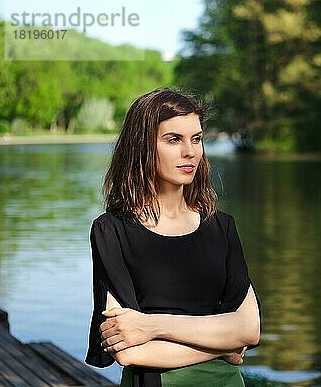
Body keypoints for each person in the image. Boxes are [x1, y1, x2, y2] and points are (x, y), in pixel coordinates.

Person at [84, 88, 261, 387]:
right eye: (173, 139)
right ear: (142, 146)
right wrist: (224, 344)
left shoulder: (221, 228)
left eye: (196, 138)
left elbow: (249, 329)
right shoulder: (111, 231)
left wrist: (150, 326)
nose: (190, 151)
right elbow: (127, 350)